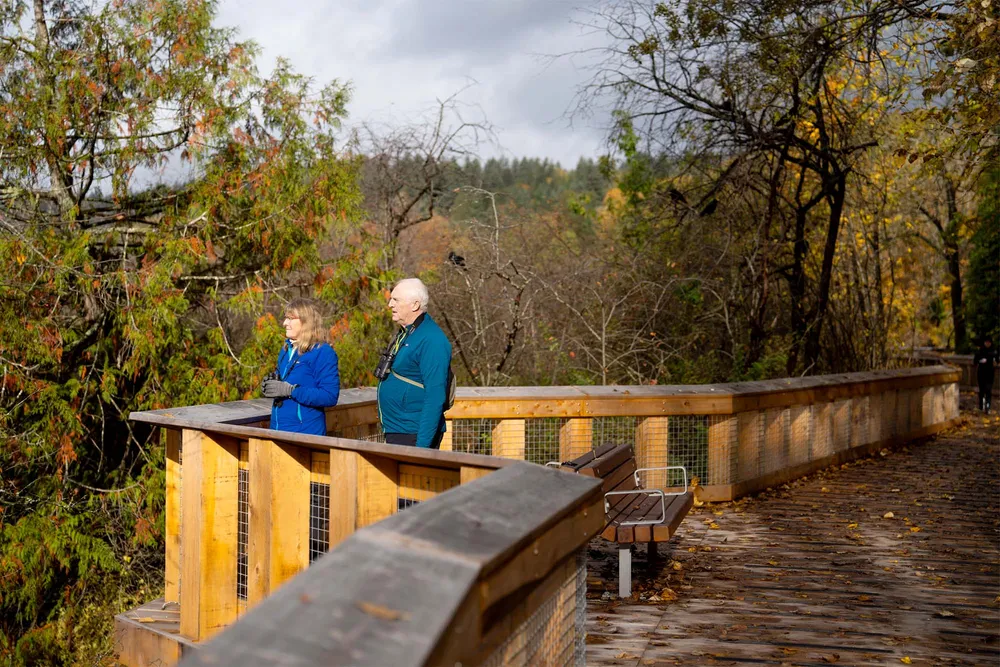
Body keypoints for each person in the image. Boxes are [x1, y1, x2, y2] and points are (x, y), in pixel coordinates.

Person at [376, 278, 452, 448]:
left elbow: (435, 396)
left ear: (415, 305)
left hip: (414, 434)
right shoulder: (407, 333)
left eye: (396, 300)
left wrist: (421, 449)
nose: (390, 305)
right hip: (400, 430)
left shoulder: (432, 339)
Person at [262, 299, 340, 435]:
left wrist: (292, 391)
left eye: (290, 318)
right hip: (278, 430)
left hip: (305, 435)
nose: (285, 323)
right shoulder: (286, 349)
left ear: (306, 322)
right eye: (286, 318)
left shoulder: (322, 352)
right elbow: (284, 382)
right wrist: (270, 385)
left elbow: (329, 396)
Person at [974, 337, 997, 414]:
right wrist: (980, 361)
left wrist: (995, 362)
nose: (987, 344)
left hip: (990, 373)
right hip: (981, 373)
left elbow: (996, 361)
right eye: (986, 342)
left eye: (989, 342)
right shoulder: (980, 351)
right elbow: (975, 361)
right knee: (981, 390)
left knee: (988, 390)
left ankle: (988, 406)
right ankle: (981, 406)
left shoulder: (994, 352)